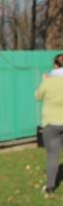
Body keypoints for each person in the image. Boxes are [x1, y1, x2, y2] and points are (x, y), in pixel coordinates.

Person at [35, 53, 63, 197]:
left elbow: (37, 96)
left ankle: (50, 187)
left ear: (55, 65)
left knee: (53, 155)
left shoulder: (48, 81)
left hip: (51, 123)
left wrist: (44, 81)